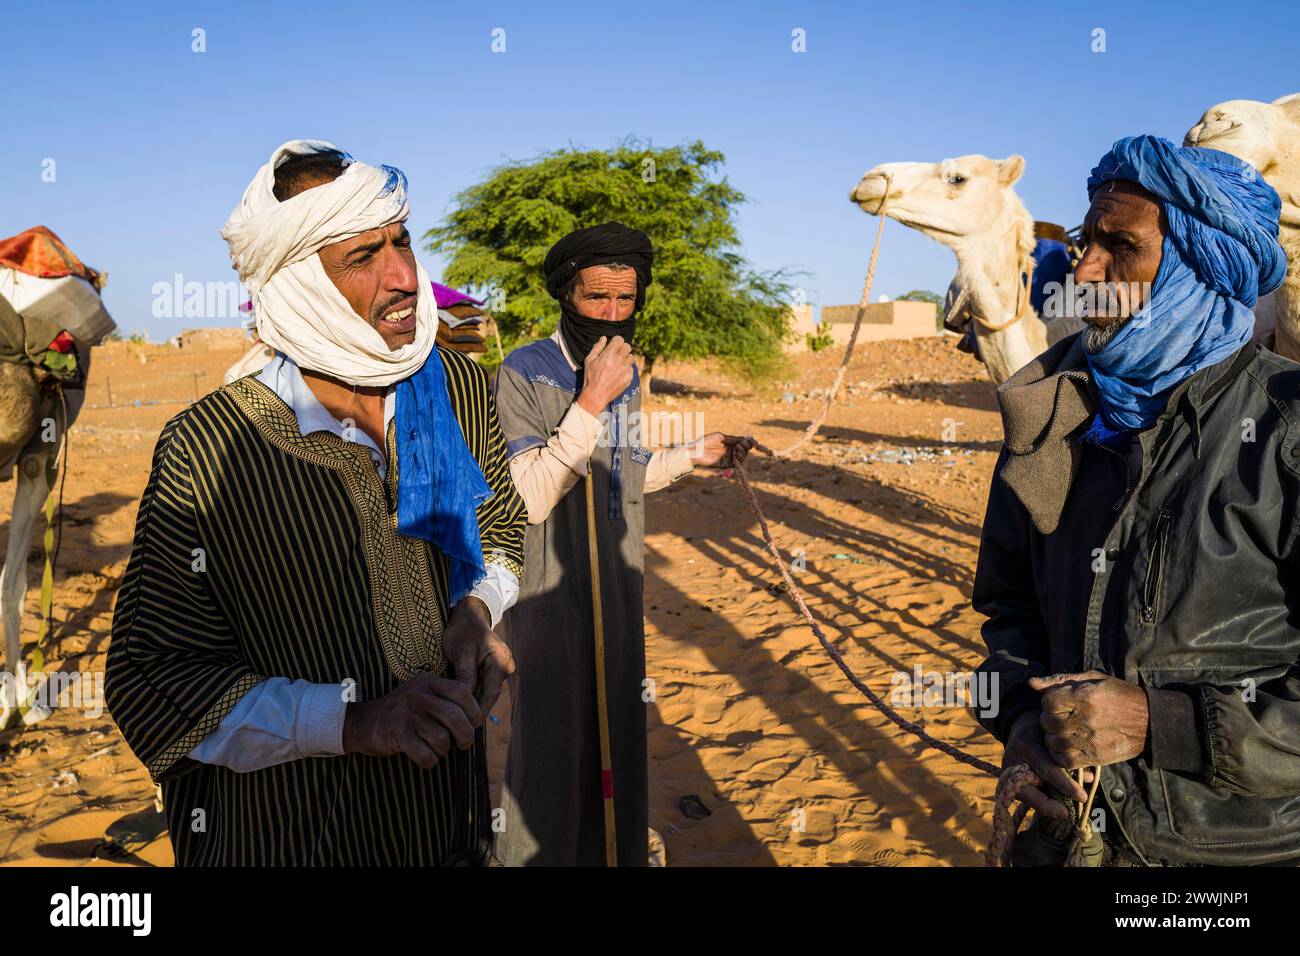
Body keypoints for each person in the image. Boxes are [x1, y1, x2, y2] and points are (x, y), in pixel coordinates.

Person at [105, 140, 526, 866]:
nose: (403, 277)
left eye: (401, 241)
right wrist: (356, 723)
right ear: (299, 285)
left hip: (445, 826)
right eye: (362, 258)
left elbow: (502, 525)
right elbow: (153, 678)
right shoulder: (209, 447)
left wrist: (476, 611)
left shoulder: (451, 386)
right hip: (287, 836)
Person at [973, 134, 1299, 865]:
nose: (1086, 271)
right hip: (1067, 837)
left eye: (1120, 246)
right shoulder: (1052, 412)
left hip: (1235, 853)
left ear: (1200, 263)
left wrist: (1162, 723)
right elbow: (1010, 612)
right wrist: (1021, 716)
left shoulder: (1285, 432)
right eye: (1088, 242)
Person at [492, 221, 755, 865]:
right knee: (554, 737)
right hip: (550, 588)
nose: (612, 315)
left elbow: (624, 474)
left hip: (619, 582)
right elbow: (527, 495)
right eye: (595, 299)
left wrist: (694, 453)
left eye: (625, 301)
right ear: (565, 295)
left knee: (619, 730)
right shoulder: (524, 370)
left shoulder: (627, 373)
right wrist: (590, 399)